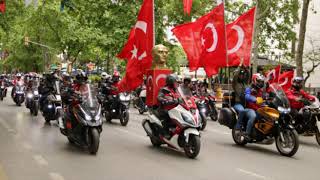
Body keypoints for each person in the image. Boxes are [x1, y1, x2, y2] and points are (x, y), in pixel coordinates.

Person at [242, 73, 266, 140]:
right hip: (250, 108)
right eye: (259, 81)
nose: (261, 83)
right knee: (253, 116)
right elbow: (247, 96)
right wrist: (254, 99)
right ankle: (247, 134)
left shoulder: (260, 90)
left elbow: (264, 97)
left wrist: (270, 99)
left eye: (262, 82)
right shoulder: (249, 88)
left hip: (259, 108)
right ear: (254, 80)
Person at [233, 67, 252, 131]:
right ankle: (238, 125)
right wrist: (240, 66)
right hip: (238, 103)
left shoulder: (245, 83)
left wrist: (246, 68)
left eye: (242, 75)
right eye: (240, 75)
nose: (241, 76)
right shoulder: (235, 83)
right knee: (242, 111)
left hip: (246, 103)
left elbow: (249, 75)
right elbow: (235, 75)